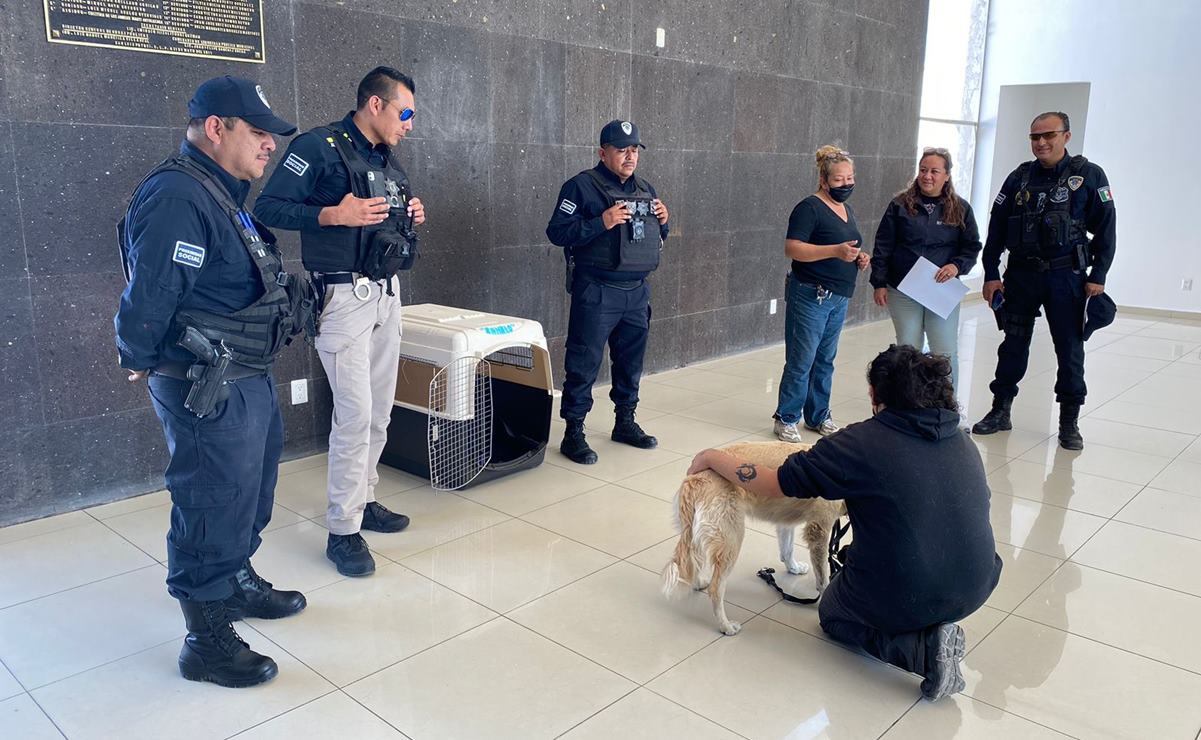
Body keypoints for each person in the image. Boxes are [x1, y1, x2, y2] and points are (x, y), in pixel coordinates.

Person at [114, 76, 309, 688]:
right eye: (257, 132)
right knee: (211, 501)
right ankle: (206, 639)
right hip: (208, 379)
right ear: (215, 128)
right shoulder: (180, 195)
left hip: (245, 372)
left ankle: (236, 580)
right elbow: (150, 294)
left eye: (272, 135)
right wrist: (140, 353)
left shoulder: (220, 192)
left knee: (251, 490)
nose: (270, 145)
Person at [689, 344, 1002, 701]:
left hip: (911, 588)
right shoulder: (962, 439)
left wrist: (714, 455)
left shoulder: (858, 443)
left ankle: (922, 651)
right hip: (978, 583)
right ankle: (928, 617)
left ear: (874, 394)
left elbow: (772, 482)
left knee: (834, 614)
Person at [255, 67, 426, 577]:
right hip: (341, 295)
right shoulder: (320, 146)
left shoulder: (385, 158)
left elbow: (383, 218)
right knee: (353, 415)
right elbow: (268, 206)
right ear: (375, 104)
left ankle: (364, 499)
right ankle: (343, 530)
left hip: (386, 294)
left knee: (377, 414)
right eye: (405, 113)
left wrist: (410, 212)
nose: (409, 124)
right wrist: (331, 215)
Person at [971, 112, 1116, 450]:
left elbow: (1106, 227)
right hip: (1021, 276)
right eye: (1035, 137)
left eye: (1049, 135)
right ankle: (1000, 410)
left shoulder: (1088, 175)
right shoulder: (1018, 178)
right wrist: (990, 272)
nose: (1041, 143)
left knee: (1069, 349)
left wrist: (1099, 276)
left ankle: (1069, 421)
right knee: (1012, 345)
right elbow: (996, 230)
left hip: (1066, 277)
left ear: (1066, 135)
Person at [545, 120, 669, 464]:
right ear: (603, 152)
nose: (629, 157)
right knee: (584, 361)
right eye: (621, 150)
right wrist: (602, 221)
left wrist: (665, 220)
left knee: (631, 363)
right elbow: (557, 231)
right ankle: (574, 433)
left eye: (634, 150)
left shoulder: (646, 188)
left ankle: (625, 422)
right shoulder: (581, 187)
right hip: (597, 290)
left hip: (636, 291)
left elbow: (655, 238)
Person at [774, 146, 870, 443]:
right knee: (802, 360)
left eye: (850, 178)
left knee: (825, 359)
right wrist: (835, 251)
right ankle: (787, 417)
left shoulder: (847, 209)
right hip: (811, 294)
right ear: (824, 180)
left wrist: (858, 257)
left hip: (838, 296)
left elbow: (845, 245)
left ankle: (818, 415)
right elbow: (793, 249)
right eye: (839, 180)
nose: (846, 184)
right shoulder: (809, 208)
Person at [870, 147, 982, 392]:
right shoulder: (899, 205)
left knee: (944, 349)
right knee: (908, 349)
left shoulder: (960, 208)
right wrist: (879, 282)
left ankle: (949, 408)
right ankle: (908, 403)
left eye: (934, 171)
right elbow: (883, 246)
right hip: (903, 288)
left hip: (940, 290)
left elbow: (972, 246)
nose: (927, 176)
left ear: (947, 175)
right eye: (923, 170)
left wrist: (957, 265)